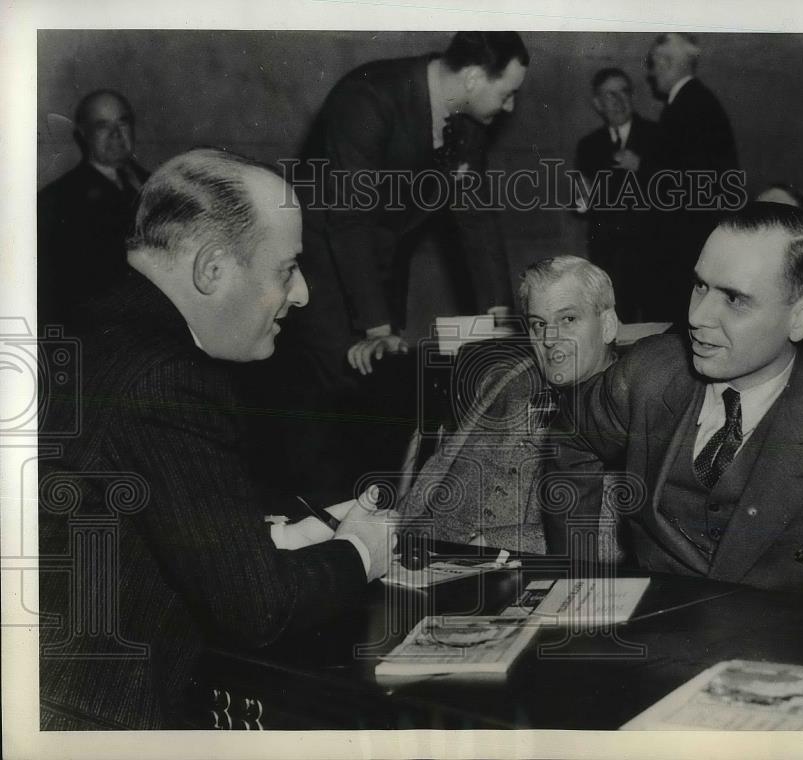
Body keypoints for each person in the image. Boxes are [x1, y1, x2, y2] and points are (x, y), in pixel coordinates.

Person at [38, 149, 397, 730]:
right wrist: (363, 552)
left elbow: (122, 529)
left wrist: (276, 539)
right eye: (287, 268)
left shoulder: (91, 329)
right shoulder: (168, 375)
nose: (302, 293)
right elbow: (261, 610)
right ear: (212, 269)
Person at [544, 203, 803, 609]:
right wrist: (576, 572)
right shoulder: (648, 372)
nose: (698, 316)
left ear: (801, 319)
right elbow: (570, 436)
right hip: (652, 643)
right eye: (700, 286)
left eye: (734, 298)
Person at [288, 31, 529, 381]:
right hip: (326, 269)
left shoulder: (469, 118)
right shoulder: (367, 96)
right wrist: (375, 329)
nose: (509, 106)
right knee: (343, 391)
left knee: (383, 383)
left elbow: (476, 218)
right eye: (507, 94)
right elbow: (349, 222)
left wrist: (500, 317)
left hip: (382, 266)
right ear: (474, 78)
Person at [399, 256, 622, 558]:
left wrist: (487, 546)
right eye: (538, 324)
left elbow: (610, 537)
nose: (549, 339)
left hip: (507, 575)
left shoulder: (630, 402)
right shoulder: (508, 377)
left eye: (568, 319)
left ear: (608, 325)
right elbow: (442, 464)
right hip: (415, 553)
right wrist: (397, 528)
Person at [645, 33, 740, 323]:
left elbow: (678, 183)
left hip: (684, 243)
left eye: (652, 64)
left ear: (667, 63)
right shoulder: (695, 102)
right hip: (695, 238)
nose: (650, 73)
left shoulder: (687, 107)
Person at [37, 89, 150, 328]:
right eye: (102, 126)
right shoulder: (57, 201)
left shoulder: (158, 185)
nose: (116, 134)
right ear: (83, 135)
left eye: (123, 122)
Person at [575, 68, 663, 322]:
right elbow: (584, 202)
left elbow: (678, 189)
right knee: (615, 327)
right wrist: (582, 200)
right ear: (597, 103)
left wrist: (642, 167)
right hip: (609, 257)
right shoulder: (589, 145)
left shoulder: (657, 135)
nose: (619, 100)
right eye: (610, 94)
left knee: (656, 329)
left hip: (653, 256)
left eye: (624, 91)